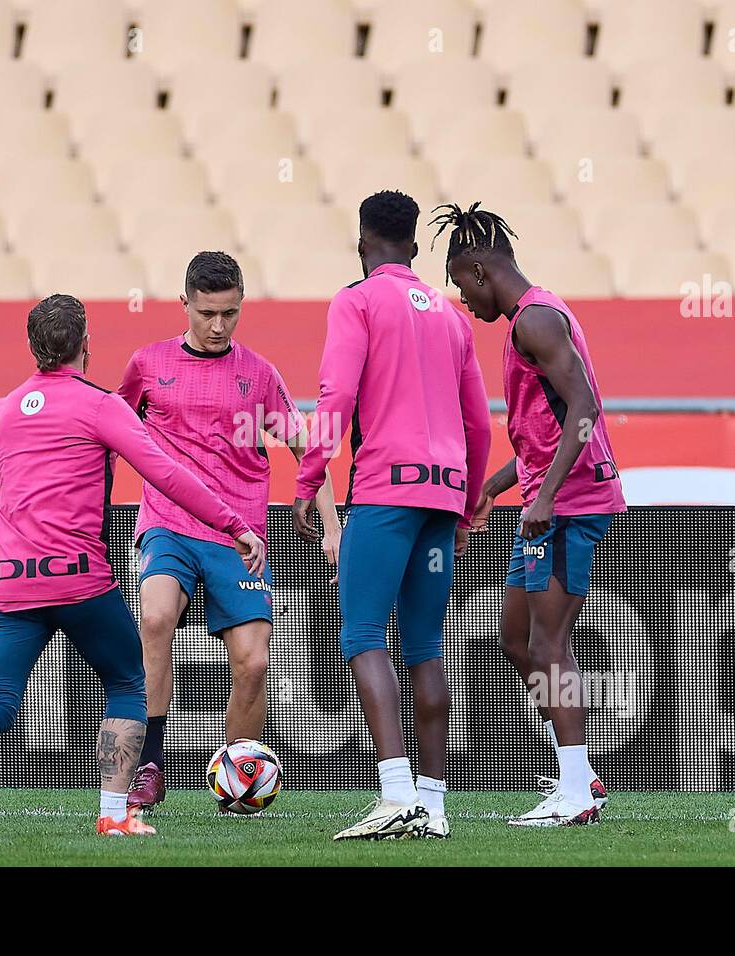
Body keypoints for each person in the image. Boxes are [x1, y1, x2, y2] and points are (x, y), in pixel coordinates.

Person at [0, 294, 265, 837]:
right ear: (86, 345)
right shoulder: (100, 404)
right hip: (80, 580)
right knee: (128, 681)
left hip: (12, 583)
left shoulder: (6, 408)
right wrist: (233, 524)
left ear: (32, 348)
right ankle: (113, 815)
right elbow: (167, 475)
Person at [294, 192, 492, 840]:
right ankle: (433, 808)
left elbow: (337, 395)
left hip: (387, 488)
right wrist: (465, 508)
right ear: (413, 246)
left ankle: (396, 793)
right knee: (427, 648)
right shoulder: (452, 316)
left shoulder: (354, 300)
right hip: (444, 493)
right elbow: (479, 423)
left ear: (361, 243)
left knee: (361, 636)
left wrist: (307, 477)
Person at [119, 251, 340, 811]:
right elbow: (108, 434)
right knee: (155, 615)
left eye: (230, 314)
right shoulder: (147, 365)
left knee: (255, 661)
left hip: (238, 535)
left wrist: (333, 525)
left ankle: (237, 777)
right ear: (185, 304)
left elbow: (305, 447)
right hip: (167, 525)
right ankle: (151, 763)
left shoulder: (260, 375)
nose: (218, 327)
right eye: (208, 313)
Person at [430, 201, 626, 827]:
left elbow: (586, 409)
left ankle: (575, 787)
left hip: (571, 505)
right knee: (517, 638)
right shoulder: (532, 318)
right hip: (549, 498)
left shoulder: (535, 320)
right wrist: (496, 485)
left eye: (463, 285)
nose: (464, 300)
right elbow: (548, 426)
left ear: (482, 272)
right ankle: (579, 773)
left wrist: (543, 499)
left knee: (548, 641)